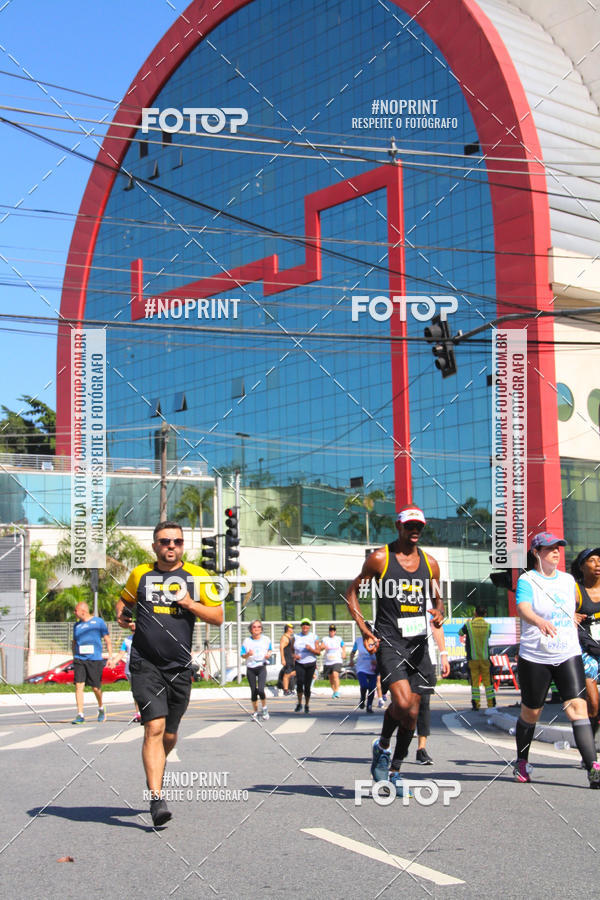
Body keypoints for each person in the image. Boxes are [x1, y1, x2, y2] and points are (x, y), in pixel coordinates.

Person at [116, 520, 223, 827]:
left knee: (170, 732)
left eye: (176, 541)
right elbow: (124, 600)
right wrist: (122, 614)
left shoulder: (197, 576)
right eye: (164, 542)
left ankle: (158, 767)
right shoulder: (141, 574)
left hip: (179, 667)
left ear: (182, 545)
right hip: (144, 663)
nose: (170, 546)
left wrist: (190, 603)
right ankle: (156, 798)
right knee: (154, 727)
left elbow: (217, 616)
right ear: (155, 546)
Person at [346, 504, 445, 797]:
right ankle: (382, 745)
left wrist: (439, 613)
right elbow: (351, 593)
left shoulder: (431, 564)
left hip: (418, 644)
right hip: (389, 641)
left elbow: (438, 600)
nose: (415, 531)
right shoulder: (380, 559)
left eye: (420, 527)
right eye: (410, 526)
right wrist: (365, 629)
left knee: (413, 713)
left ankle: (395, 769)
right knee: (402, 704)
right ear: (398, 526)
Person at [514, 532, 600, 787]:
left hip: (567, 653)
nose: (555, 552)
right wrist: (538, 621)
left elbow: (576, 605)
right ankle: (521, 761)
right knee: (532, 712)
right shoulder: (527, 580)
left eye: (558, 548)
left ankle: (592, 767)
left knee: (578, 708)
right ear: (536, 553)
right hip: (535, 656)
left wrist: (573, 616)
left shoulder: (568, 581)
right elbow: (523, 607)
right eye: (549, 548)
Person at [571, 548, 600, 748]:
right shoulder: (574, 590)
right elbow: (557, 612)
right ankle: (588, 748)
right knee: (594, 704)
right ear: (582, 566)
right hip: (586, 651)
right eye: (592, 560)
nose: (598, 564)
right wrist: (570, 616)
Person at [416, 601, 451, 764]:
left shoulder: (427, 597)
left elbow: (436, 624)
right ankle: (387, 745)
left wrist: (443, 653)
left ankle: (421, 749)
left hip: (425, 657)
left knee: (424, 703)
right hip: (399, 656)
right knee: (403, 704)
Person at [71, 602, 114, 724]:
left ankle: (101, 707)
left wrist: (110, 657)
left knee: (95, 687)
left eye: (76, 610)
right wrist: (74, 656)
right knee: (79, 686)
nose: (74, 613)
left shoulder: (98, 622)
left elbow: (107, 640)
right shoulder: (77, 626)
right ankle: (80, 714)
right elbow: (74, 642)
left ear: (83, 611)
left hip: (94, 659)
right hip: (80, 659)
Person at [459, 605, 496, 710]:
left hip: (473, 659)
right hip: (485, 659)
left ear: (475, 613)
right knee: (488, 683)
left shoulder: (469, 625)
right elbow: (488, 636)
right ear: (485, 614)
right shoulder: (488, 626)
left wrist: (470, 621)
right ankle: (491, 704)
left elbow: (460, 633)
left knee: (475, 683)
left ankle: (476, 704)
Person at [242, 620, 272, 720]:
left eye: (259, 627)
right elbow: (243, 655)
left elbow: (270, 649)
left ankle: (264, 708)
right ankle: (255, 711)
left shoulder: (266, 639)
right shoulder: (247, 641)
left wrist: (269, 654)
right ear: (251, 629)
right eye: (254, 627)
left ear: (261, 629)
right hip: (250, 667)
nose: (257, 629)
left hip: (261, 666)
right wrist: (248, 654)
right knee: (253, 691)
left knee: (261, 689)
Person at [293, 618, 320, 714]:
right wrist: (294, 656)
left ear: (309, 627)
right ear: (301, 626)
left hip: (310, 663)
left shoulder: (314, 637)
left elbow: (318, 652)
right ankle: (299, 703)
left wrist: (311, 649)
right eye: (303, 625)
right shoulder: (296, 636)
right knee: (299, 683)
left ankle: (307, 704)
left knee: (307, 686)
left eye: (307, 625)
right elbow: (291, 650)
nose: (305, 626)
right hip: (300, 663)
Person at [350, 629, 377, 712]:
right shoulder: (358, 641)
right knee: (364, 685)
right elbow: (353, 652)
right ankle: (362, 699)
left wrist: (377, 661)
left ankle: (369, 706)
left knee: (372, 688)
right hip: (361, 668)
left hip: (373, 669)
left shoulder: (375, 640)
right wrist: (351, 660)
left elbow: (380, 652)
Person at [119, 624, 141, 723]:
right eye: (132, 630)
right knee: (136, 692)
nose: (134, 632)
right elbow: (121, 653)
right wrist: (113, 661)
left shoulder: (146, 639)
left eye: (135, 629)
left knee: (143, 692)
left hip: (143, 669)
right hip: (130, 670)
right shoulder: (127, 640)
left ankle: (146, 712)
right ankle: (138, 713)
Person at [320, 624, 346, 698]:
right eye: (330, 630)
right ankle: (334, 691)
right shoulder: (325, 639)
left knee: (335, 674)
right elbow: (321, 647)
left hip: (337, 660)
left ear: (335, 631)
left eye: (333, 630)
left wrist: (344, 653)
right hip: (328, 661)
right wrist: (323, 647)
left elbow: (343, 646)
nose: (332, 632)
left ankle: (337, 691)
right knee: (331, 678)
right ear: (329, 631)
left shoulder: (339, 639)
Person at [279, 623, 296, 694]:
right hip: (287, 659)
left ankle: (289, 688)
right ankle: (285, 690)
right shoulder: (284, 637)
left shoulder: (290, 637)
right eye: (291, 628)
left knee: (295, 672)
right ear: (287, 629)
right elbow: (281, 648)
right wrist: (282, 659)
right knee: (287, 674)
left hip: (292, 659)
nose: (292, 630)